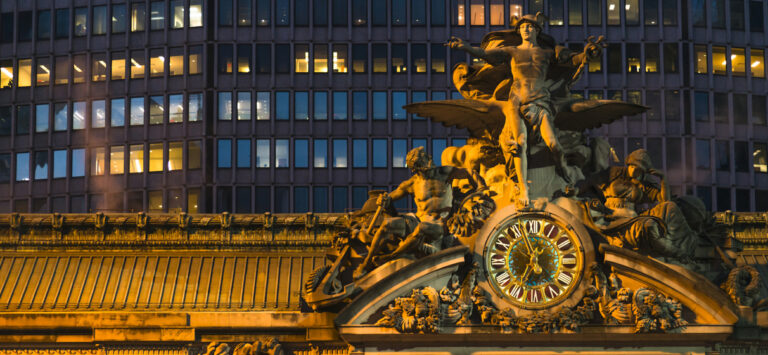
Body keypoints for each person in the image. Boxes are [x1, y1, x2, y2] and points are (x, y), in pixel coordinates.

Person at [446, 13, 603, 208]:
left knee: (554, 145)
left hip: (540, 100)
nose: (525, 30)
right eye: (522, 27)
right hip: (517, 99)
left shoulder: (549, 52)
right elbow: (485, 55)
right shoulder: (511, 51)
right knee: (518, 144)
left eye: (529, 27)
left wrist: (590, 52)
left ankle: (563, 170)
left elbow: (576, 59)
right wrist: (466, 48)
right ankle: (523, 189)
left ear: (537, 30)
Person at [353, 147, 477, 279]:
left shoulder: (444, 172)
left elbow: (471, 173)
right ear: (416, 167)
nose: (429, 159)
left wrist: (480, 187)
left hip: (441, 226)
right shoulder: (412, 183)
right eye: (423, 159)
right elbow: (393, 195)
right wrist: (385, 198)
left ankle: (391, 256)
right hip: (419, 220)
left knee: (422, 228)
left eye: (426, 156)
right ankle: (366, 264)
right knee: (387, 225)